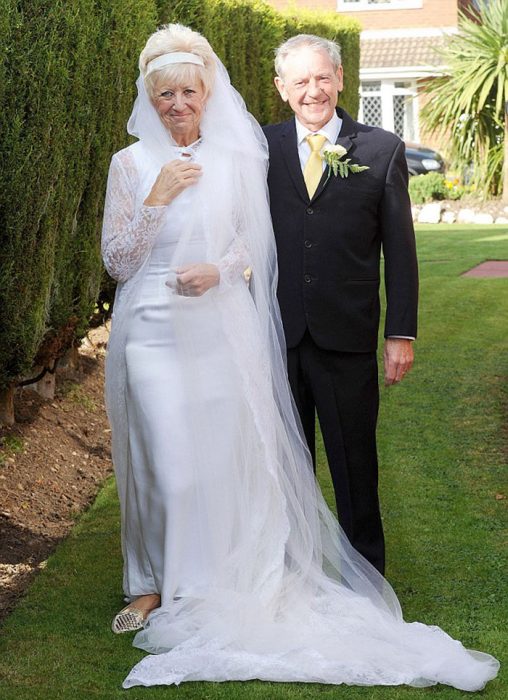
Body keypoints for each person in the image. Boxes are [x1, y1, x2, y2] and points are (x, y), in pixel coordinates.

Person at [101, 23, 498, 690]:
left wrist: (400, 331)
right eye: (164, 93)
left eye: (188, 91)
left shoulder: (346, 148)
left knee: (327, 462)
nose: (178, 102)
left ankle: (355, 582)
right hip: (215, 331)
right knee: (205, 464)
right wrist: (164, 200)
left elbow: (324, 246)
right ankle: (191, 581)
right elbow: (130, 256)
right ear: (280, 90)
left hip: (304, 330)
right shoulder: (214, 154)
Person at [263, 34, 418, 575]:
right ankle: (291, 578)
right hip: (276, 337)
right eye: (300, 81)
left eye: (322, 78)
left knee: (355, 466)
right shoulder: (260, 149)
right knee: (285, 468)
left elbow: (400, 251)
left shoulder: (381, 150)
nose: (313, 91)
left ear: (341, 79)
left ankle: (368, 580)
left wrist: (400, 333)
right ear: (282, 89)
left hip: (347, 339)